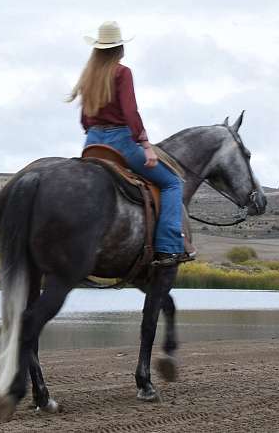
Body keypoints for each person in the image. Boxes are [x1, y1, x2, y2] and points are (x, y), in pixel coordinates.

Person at [68, 21, 193, 266]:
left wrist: (95, 130)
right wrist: (145, 144)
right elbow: (130, 112)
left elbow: (84, 118)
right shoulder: (121, 72)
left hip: (92, 143)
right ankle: (168, 247)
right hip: (121, 143)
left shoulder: (89, 75)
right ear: (118, 48)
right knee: (171, 183)